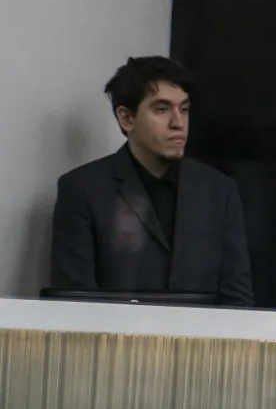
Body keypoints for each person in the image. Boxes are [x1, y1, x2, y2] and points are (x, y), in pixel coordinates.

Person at [50, 56, 253, 306]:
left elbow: (238, 301)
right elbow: (74, 303)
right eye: (162, 109)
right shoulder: (83, 189)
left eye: (185, 109)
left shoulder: (219, 191)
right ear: (126, 119)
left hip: (201, 343)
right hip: (117, 342)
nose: (178, 123)